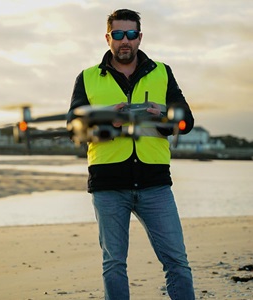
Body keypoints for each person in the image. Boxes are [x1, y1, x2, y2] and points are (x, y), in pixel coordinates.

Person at [67, 8, 195, 300]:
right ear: (108, 37)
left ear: (140, 36)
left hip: (156, 184)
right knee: (113, 264)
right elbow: (73, 128)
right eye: (119, 34)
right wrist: (106, 121)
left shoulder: (162, 72)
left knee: (177, 261)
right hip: (108, 185)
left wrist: (163, 117)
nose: (126, 41)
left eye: (132, 34)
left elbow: (186, 121)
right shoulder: (87, 78)